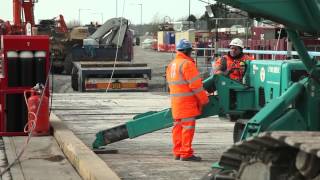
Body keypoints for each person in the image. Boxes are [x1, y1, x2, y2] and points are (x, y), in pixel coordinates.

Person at [166, 39, 209, 162]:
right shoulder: (187, 64)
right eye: (190, 51)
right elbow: (196, 86)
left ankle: (178, 152)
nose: (191, 53)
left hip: (176, 104)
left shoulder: (172, 64)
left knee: (177, 129)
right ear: (186, 51)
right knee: (187, 129)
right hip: (187, 104)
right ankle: (186, 154)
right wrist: (204, 100)